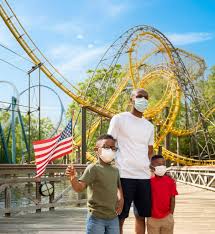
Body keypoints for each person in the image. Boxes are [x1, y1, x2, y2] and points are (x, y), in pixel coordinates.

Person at [108, 88, 154, 234]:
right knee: (120, 215)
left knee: (141, 216)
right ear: (131, 99)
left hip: (144, 176)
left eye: (146, 98)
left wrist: (150, 168)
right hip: (124, 174)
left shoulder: (149, 126)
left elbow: (150, 150)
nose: (143, 100)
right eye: (140, 96)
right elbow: (109, 143)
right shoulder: (119, 118)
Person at [65, 134, 124, 234]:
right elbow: (79, 188)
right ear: (97, 150)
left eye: (113, 148)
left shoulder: (115, 170)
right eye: (106, 147)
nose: (110, 150)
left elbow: (118, 187)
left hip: (113, 217)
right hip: (96, 218)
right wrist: (72, 177)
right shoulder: (93, 168)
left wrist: (121, 199)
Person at [147, 155, 178, 234]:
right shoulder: (148, 181)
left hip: (167, 217)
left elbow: (173, 199)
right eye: (158, 164)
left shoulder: (170, 181)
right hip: (152, 218)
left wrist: (171, 215)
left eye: (163, 164)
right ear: (152, 166)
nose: (161, 166)